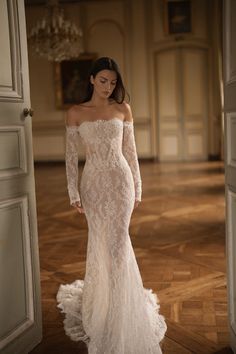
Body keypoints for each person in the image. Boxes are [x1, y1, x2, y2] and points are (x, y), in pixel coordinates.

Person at [56, 57, 167, 354]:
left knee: (118, 245)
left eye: (113, 82)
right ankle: (101, 304)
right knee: (101, 243)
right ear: (91, 79)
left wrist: (139, 187)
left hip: (121, 183)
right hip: (92, 185)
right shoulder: (76, 113)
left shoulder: (123, 109)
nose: (108, 87)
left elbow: (131, 153)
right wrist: (72, 192)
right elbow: (69, 158)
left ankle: (121, 316)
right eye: (103, 80)